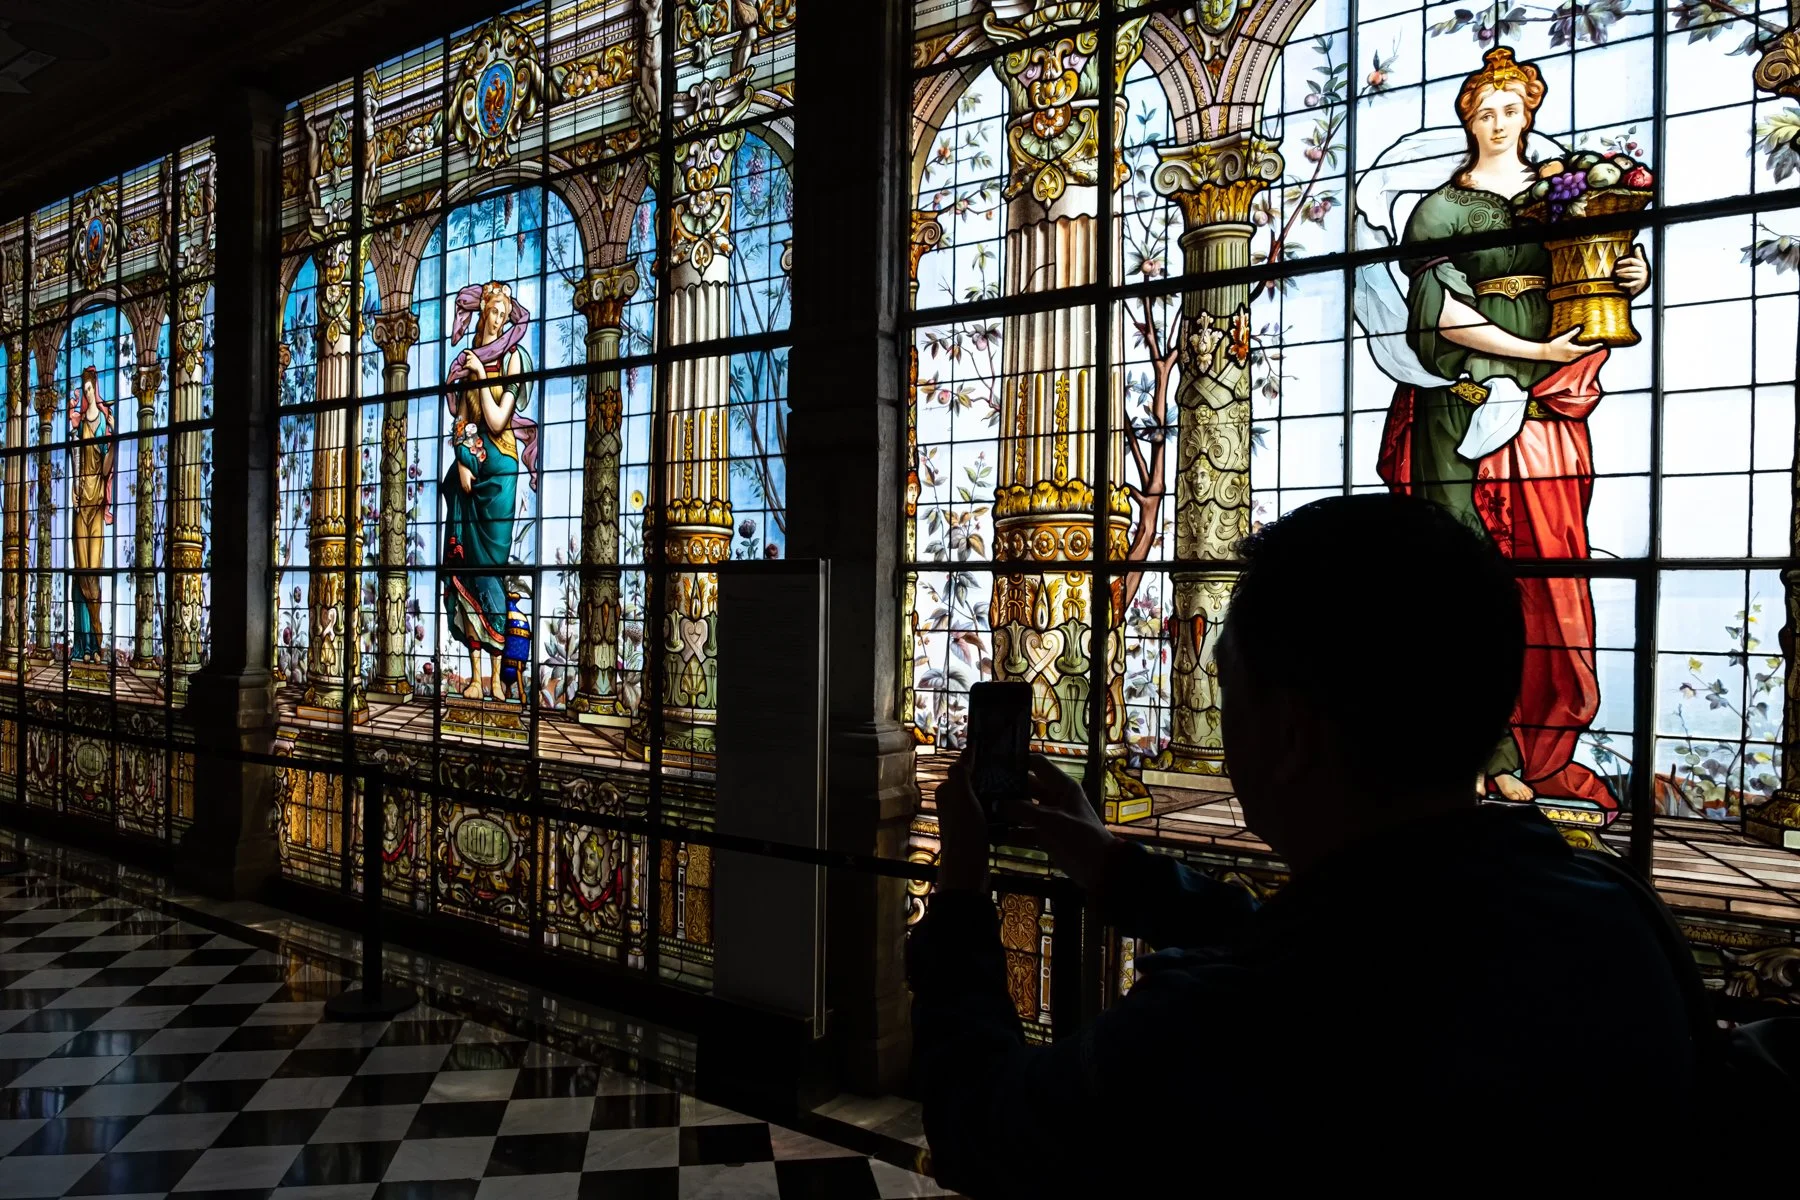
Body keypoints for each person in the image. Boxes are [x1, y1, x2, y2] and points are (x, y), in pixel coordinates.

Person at [908, 495, 1694, 1190]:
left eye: (1229, 694)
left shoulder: (1216, 1034)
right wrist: (1111, 865)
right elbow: (1338, 950)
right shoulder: (1615, 917)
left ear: (1288, 734)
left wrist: (962, 888)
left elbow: (980, 1124)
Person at [1369, 46, 1648, 814]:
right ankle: (1472, 753)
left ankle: (1536, 745)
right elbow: (1443, 317)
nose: (1498, 122)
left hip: (1551, 403)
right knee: (1456, 584)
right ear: (1470, 119)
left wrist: (1631, 276)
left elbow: (1596, 267)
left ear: (1529, 115)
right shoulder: (1440, 209)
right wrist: (1532, 351)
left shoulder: (1565, 198)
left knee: (1548, 575)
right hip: (1457, 412)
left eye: (1510, 110)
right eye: (1484, 111)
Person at [442, 280, 538, 702]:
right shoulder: (468, 361)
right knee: (464, 569)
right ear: (482, 311)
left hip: (500, 471)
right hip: (473, 468)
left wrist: (482, 376)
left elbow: (498, 422)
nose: (497, 319)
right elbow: (463, 419)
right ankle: (477, 677)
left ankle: (500, 678)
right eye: (492, 311)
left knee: (492, 570)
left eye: (504, 313)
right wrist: (462, 461)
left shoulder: (514, 360)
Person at [68, 366, 114, 663]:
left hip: (97, 502)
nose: (87, 393)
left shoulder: (103, 425)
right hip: (81, 502)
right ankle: (85, 646)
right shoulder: (79, 424)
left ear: (95, 390)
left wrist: (111, 435)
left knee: (93, 571)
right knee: (81, 571)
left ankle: (98, 644)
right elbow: (74, 461)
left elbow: (108, 464)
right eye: (83, 390)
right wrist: (74, 486)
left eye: (89, 389)